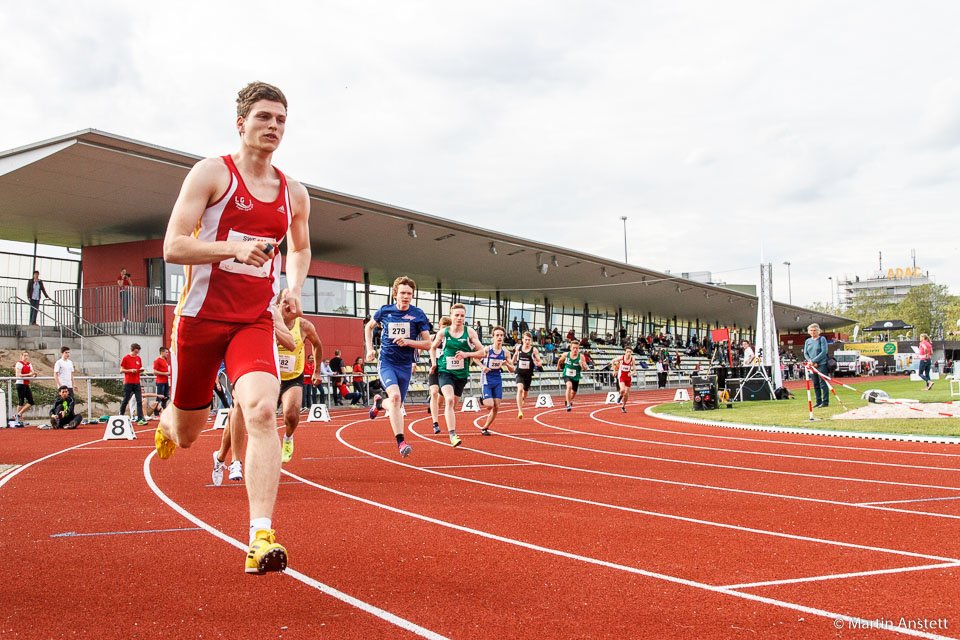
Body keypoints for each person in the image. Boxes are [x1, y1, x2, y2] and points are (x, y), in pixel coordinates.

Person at [156, 81, 311, 575]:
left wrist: (292, 286)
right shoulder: (211, 174)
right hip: (200, 321)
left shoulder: (293, 192)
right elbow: (174, 247)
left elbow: (300, 248)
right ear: (241, 123)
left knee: (263, 410)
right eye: (264, 117)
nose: (273, 127)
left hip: (252, 320)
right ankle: (167, 418)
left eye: (281, 119)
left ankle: (260, 536)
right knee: (186, 435)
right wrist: (231, 249)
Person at [365, 276, 432, 456]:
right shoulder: (385, 311)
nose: (406, 297)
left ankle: (379, 403)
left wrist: (409, 342)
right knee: (395, 398)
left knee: (397, 403)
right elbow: (368, 327)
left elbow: (427, 344)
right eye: (402, 293)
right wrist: (370, 349)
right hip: (386, 362)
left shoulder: (418, 315)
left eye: (409, 294)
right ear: (395, 294)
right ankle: (401, 443)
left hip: (405, 365)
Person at [276, 290, 322, 464]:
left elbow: (317, 345)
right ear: (277, 304)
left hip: (293, 377)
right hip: (271, 377)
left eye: (293, 303)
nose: (289, 307)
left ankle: (288, 438)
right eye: (285, 303)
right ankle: (267, 446)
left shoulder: (304, 326)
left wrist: (317, 371)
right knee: (261, 417)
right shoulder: (268, 322)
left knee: (291, 415)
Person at [431, 302, 485, 446]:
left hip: (461, 375)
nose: (459, 318)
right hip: (445, 371)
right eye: (456, 315)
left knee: (453, 405)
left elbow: (482, 352)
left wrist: (466, 354)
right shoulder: (443, 332)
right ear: (451, 316)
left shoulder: (470, 332)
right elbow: (432, 347)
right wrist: (433, 363)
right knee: (449, 400)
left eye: (462, 315)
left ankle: (448, 422)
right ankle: (453, 435)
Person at [475, 326, 515, 435]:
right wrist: (483, 367)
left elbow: (512, 369)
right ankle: (483, 398)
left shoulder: (506, 353)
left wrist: (506, 364)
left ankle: (485, 427)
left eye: (501, 335)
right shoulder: (487, 350)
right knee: (489, 405)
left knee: (496, 407)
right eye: (497, 335)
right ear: (493, 337)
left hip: (497, 379)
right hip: (487, 379)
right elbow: (475, 358)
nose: (499, 337)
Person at [428, 316, 453, 434]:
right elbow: (421, 348)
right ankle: (435, 424)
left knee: (441, 399)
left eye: (448, 328)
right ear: (439, 327)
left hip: (447, 370)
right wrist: (413, 362)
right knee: (433, 392)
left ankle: (435, 409)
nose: (445, 331)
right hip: (434, 368)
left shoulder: (452, 339)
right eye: (443, 328)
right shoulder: (433, 337)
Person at [512, 331, 543, 419]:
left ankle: (523, 399)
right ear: (522, 340)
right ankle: (520, 411)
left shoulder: (534, 350)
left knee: (525, 392)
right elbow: (514, 356)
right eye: (525, 340)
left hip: (528, 374)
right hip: (519, 373)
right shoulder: (518, 348)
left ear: (531, 341)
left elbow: (539, 360)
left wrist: (539, 363)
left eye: (529, 340)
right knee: (520, 389)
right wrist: (511, 363)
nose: (527, 342)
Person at [556, 339, 590, 412]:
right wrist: (558, 366)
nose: (575, 350)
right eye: (574, 348)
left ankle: (568, 400)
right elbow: (560, 360)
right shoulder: (566, 354)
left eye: (577, 348)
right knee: (569, 386)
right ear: (570, 348)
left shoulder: (581, 357)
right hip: (567, 374)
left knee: (573, 393)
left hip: (576, 376)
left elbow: (586, 369)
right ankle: (568, 404)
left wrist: (582, 365)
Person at [119, 343, 147, 425]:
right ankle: (121, 414)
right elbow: (121, 370)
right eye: (135, 352)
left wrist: (141, 369)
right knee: (126, 399)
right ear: (132, 350)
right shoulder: (126, 358)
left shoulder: (138, 358)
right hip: (128, 382)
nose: (136, 354)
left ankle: (140, 417)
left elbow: (140, 367)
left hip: (137, 381)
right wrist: (130, 370)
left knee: (139, 400)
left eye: (137, 352)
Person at [803, 323, 829, 408]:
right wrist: (810, 361)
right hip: (812, 365)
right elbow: (805, 353)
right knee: (815, 384)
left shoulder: (822, 339)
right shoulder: (808, 341)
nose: (813, 332)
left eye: (814, 330)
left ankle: (825, 402)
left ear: (818, 331)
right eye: (811, 330)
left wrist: (814, 360)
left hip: (821, 364)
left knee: (822, 383)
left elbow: (823, 352)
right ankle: (818, 401)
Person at [14, 351, 37, 426]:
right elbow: (18, 374)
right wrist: (28, 375)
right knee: (21, 400)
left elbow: (32, 372)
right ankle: (19, 417)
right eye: (24, 356)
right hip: (20, 383)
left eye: (27, 355)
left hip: (26, 384)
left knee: (31, 401)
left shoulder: (29, 364)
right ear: (21, 356)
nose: (26, 357)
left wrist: (34, 374)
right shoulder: (19, 363)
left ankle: (18, 414)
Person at [611, 346, 635, 413]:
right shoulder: (622, 357)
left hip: (628, 377)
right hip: (622, 376)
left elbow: (634, 370)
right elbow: (613, 361)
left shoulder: (632, 359)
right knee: (622, 390)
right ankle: (620, 395)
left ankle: (623, 406)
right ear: (625, 352)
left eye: (630, 352)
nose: (629, 353)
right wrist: (614, 371)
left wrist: (632, 373)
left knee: (627, 394)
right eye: (627, 352)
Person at [152, 347, 171, 418]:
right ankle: (156, 413)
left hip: (166, 381)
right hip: (160, 382)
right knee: (159, 397)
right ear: (162, 352)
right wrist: (165, 373)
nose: (167, 354)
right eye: (166, 352)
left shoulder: (165, 361)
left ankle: (163, 412)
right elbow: (155, 371)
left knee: (165, 398)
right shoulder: (157, 361)